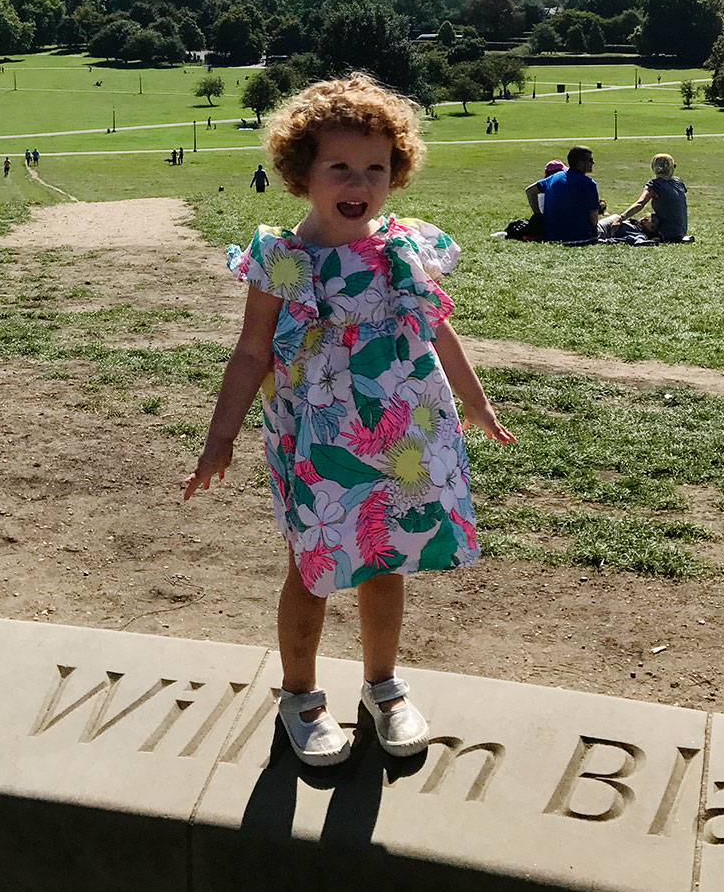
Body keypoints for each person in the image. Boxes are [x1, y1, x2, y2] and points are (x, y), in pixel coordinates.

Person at [184, 74, 514, 768]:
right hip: (318, 441)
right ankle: (300, 696)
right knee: (313, 567)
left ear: (397, 172)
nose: (358, 181)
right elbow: (249, 353)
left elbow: (435, 328)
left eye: (376, 167)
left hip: (403, 430)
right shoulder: (282, 258)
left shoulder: (401, 246)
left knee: (385, 557)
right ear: (303, 173)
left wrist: (475, 401)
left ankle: (382, 687)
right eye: (340, 167)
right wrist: (220, 438)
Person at [524, 146, 605, 243]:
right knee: (614, 220)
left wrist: (538, 215)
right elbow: (593, 221)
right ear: (580, 163)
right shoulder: (589, 184)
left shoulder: (553, 178)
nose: (593, 162)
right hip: (580, 236)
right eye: (590, 160)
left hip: (551, 236)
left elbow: (530, 191)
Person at [615, 153, 689, 241]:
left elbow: (640, 204)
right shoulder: (678, 182)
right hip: (682, 231)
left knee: (628, 227)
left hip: (665, 233)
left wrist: (621, 218)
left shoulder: (655, 185)